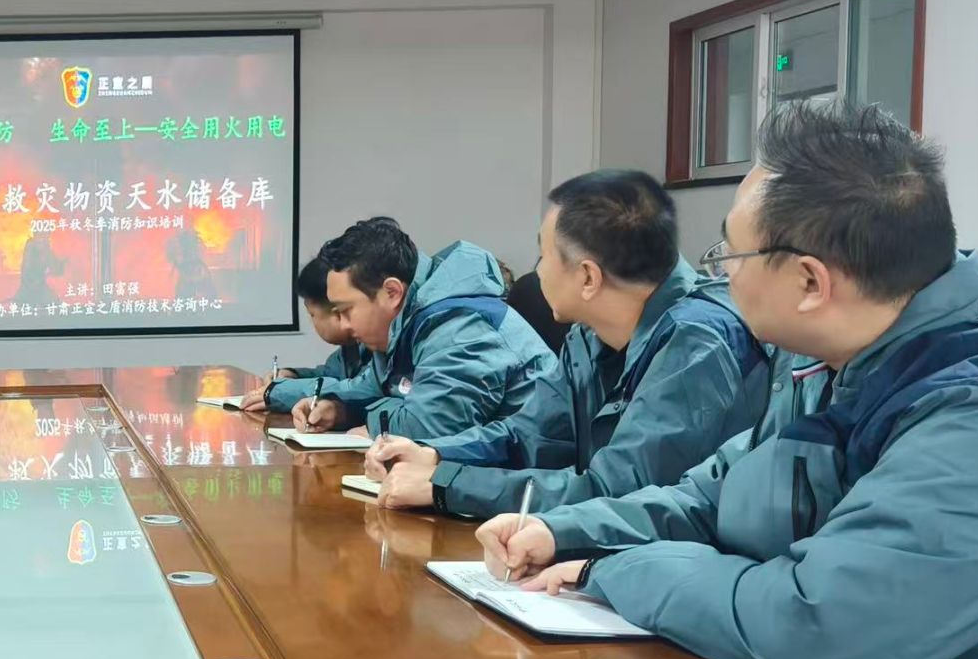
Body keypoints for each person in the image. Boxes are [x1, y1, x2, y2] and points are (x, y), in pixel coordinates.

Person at [480, 104, 978, 659]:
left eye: (730, 255)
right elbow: (715, 496)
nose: (719, 275)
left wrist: (612, 571)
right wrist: (562, 531)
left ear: (810, 281)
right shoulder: (831, 362)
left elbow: (817, 625)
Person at [364, 170, 768, 518]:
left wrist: (446, 485)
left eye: (544, 255)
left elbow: (617, 494)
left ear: (588, 278)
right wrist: (434, 454)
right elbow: (528, 435)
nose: (537, 272)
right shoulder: (590, 333)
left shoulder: (696, 345)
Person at [291, 218, 556, 440]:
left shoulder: (460, 327)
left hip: (530, 478)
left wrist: (371, 419)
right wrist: (339, 409)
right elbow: (371, 389)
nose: (344, 325)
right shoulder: (403, 326)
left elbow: (428, 429)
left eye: (346, 310)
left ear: (392, 292)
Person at [241, 255, 365, 414]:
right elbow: (330, 374)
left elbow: (357, 388)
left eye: (312, 313)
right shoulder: (349, 349)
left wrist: (282, 393)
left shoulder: (376, 344)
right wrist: (293, 375)